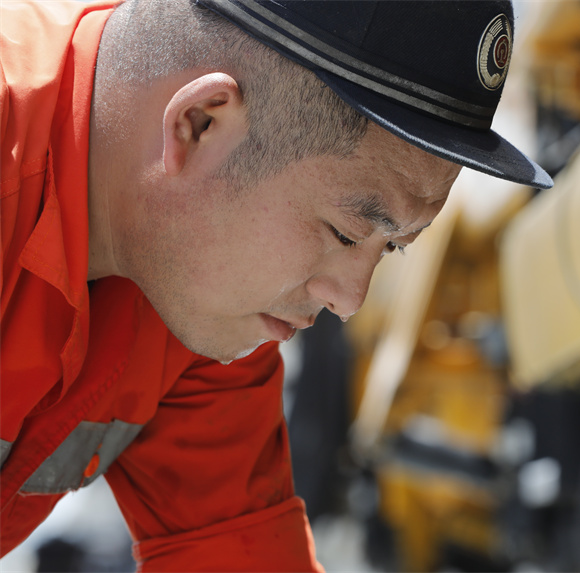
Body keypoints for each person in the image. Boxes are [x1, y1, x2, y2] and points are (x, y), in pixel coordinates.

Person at [0, 0, 551, 570]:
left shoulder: (199, 296)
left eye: (389, 247)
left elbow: (239, 550)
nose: (350, 299)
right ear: (198, 124)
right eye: (344, 232)